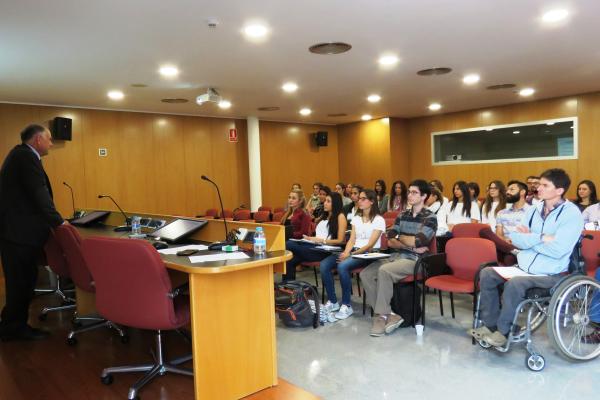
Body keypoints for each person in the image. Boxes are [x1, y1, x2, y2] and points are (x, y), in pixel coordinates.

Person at [470, 169, 583, 347]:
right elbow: (516, 238)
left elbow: (559, 250)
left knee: (516, 283)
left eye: (545, 185)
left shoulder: (572, 214)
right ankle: (490, 326)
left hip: (552, 273)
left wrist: (530, 238)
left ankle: (503, 331)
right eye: (540, 184)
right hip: (524, 266)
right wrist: (542, 238)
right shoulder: (534, 210)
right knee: (487, 273)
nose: (539, 188)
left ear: (559, 190)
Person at [0, 124, 65, 341]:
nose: (51, 143)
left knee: (21, 281)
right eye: (48, 139)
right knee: (21, 282)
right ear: (37, 139)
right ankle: (14, 329)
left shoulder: (19, 155)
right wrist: (59, 223)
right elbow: (39, 194)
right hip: (19, 234)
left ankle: (10, 322)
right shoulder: (26, 158)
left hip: (15, 233)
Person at [360, 180, 437, 336]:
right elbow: (389, 238)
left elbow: (418, 241)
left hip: (416, 261)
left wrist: (403, 239)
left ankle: (381, 317)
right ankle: (390, 315)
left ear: (424, 196)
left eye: (414, 192)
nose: (409, 195)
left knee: (384, 271)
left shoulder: (430, 217)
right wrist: (407, 243)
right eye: (409, 191)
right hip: (396, 256)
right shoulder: (402, 214)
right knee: (365, 274)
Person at [320, 189, 385, 320]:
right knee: (324, 265)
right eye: (359, 198)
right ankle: (333, 302)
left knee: (342, 267)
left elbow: (370, 245)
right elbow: (351, 239)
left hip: (369, 254)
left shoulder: (379, 220)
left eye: (363, 199)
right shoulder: (356, 218)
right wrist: (346, 252)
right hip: (353, 251)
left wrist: (351, 254)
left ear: (371, 201)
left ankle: (346, 305)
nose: (359, 201)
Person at [282, 193, 347, 281]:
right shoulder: (324, 215)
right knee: (289, 259)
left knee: (288, 244)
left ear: (335, 203)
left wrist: (321, 240)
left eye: (328, 201)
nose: (325, 203)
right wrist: (310, 239)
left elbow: (340, 240)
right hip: (315, 245)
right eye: (325, 201)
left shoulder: (340, 216)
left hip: (326, 250)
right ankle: (288, 286)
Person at [479, 180, 530, 265]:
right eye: (508, 190)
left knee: (508, 258)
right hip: (504, 244)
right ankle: (512, 250)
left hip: (523, 245)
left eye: (512, 190)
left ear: (522, 192)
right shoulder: (502, 212)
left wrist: (516, 241)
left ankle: (513, 251)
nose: (508, 192)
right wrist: (505, 240)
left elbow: (534, 234)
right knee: (484, 231)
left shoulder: (533, 211)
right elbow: (499, 234)